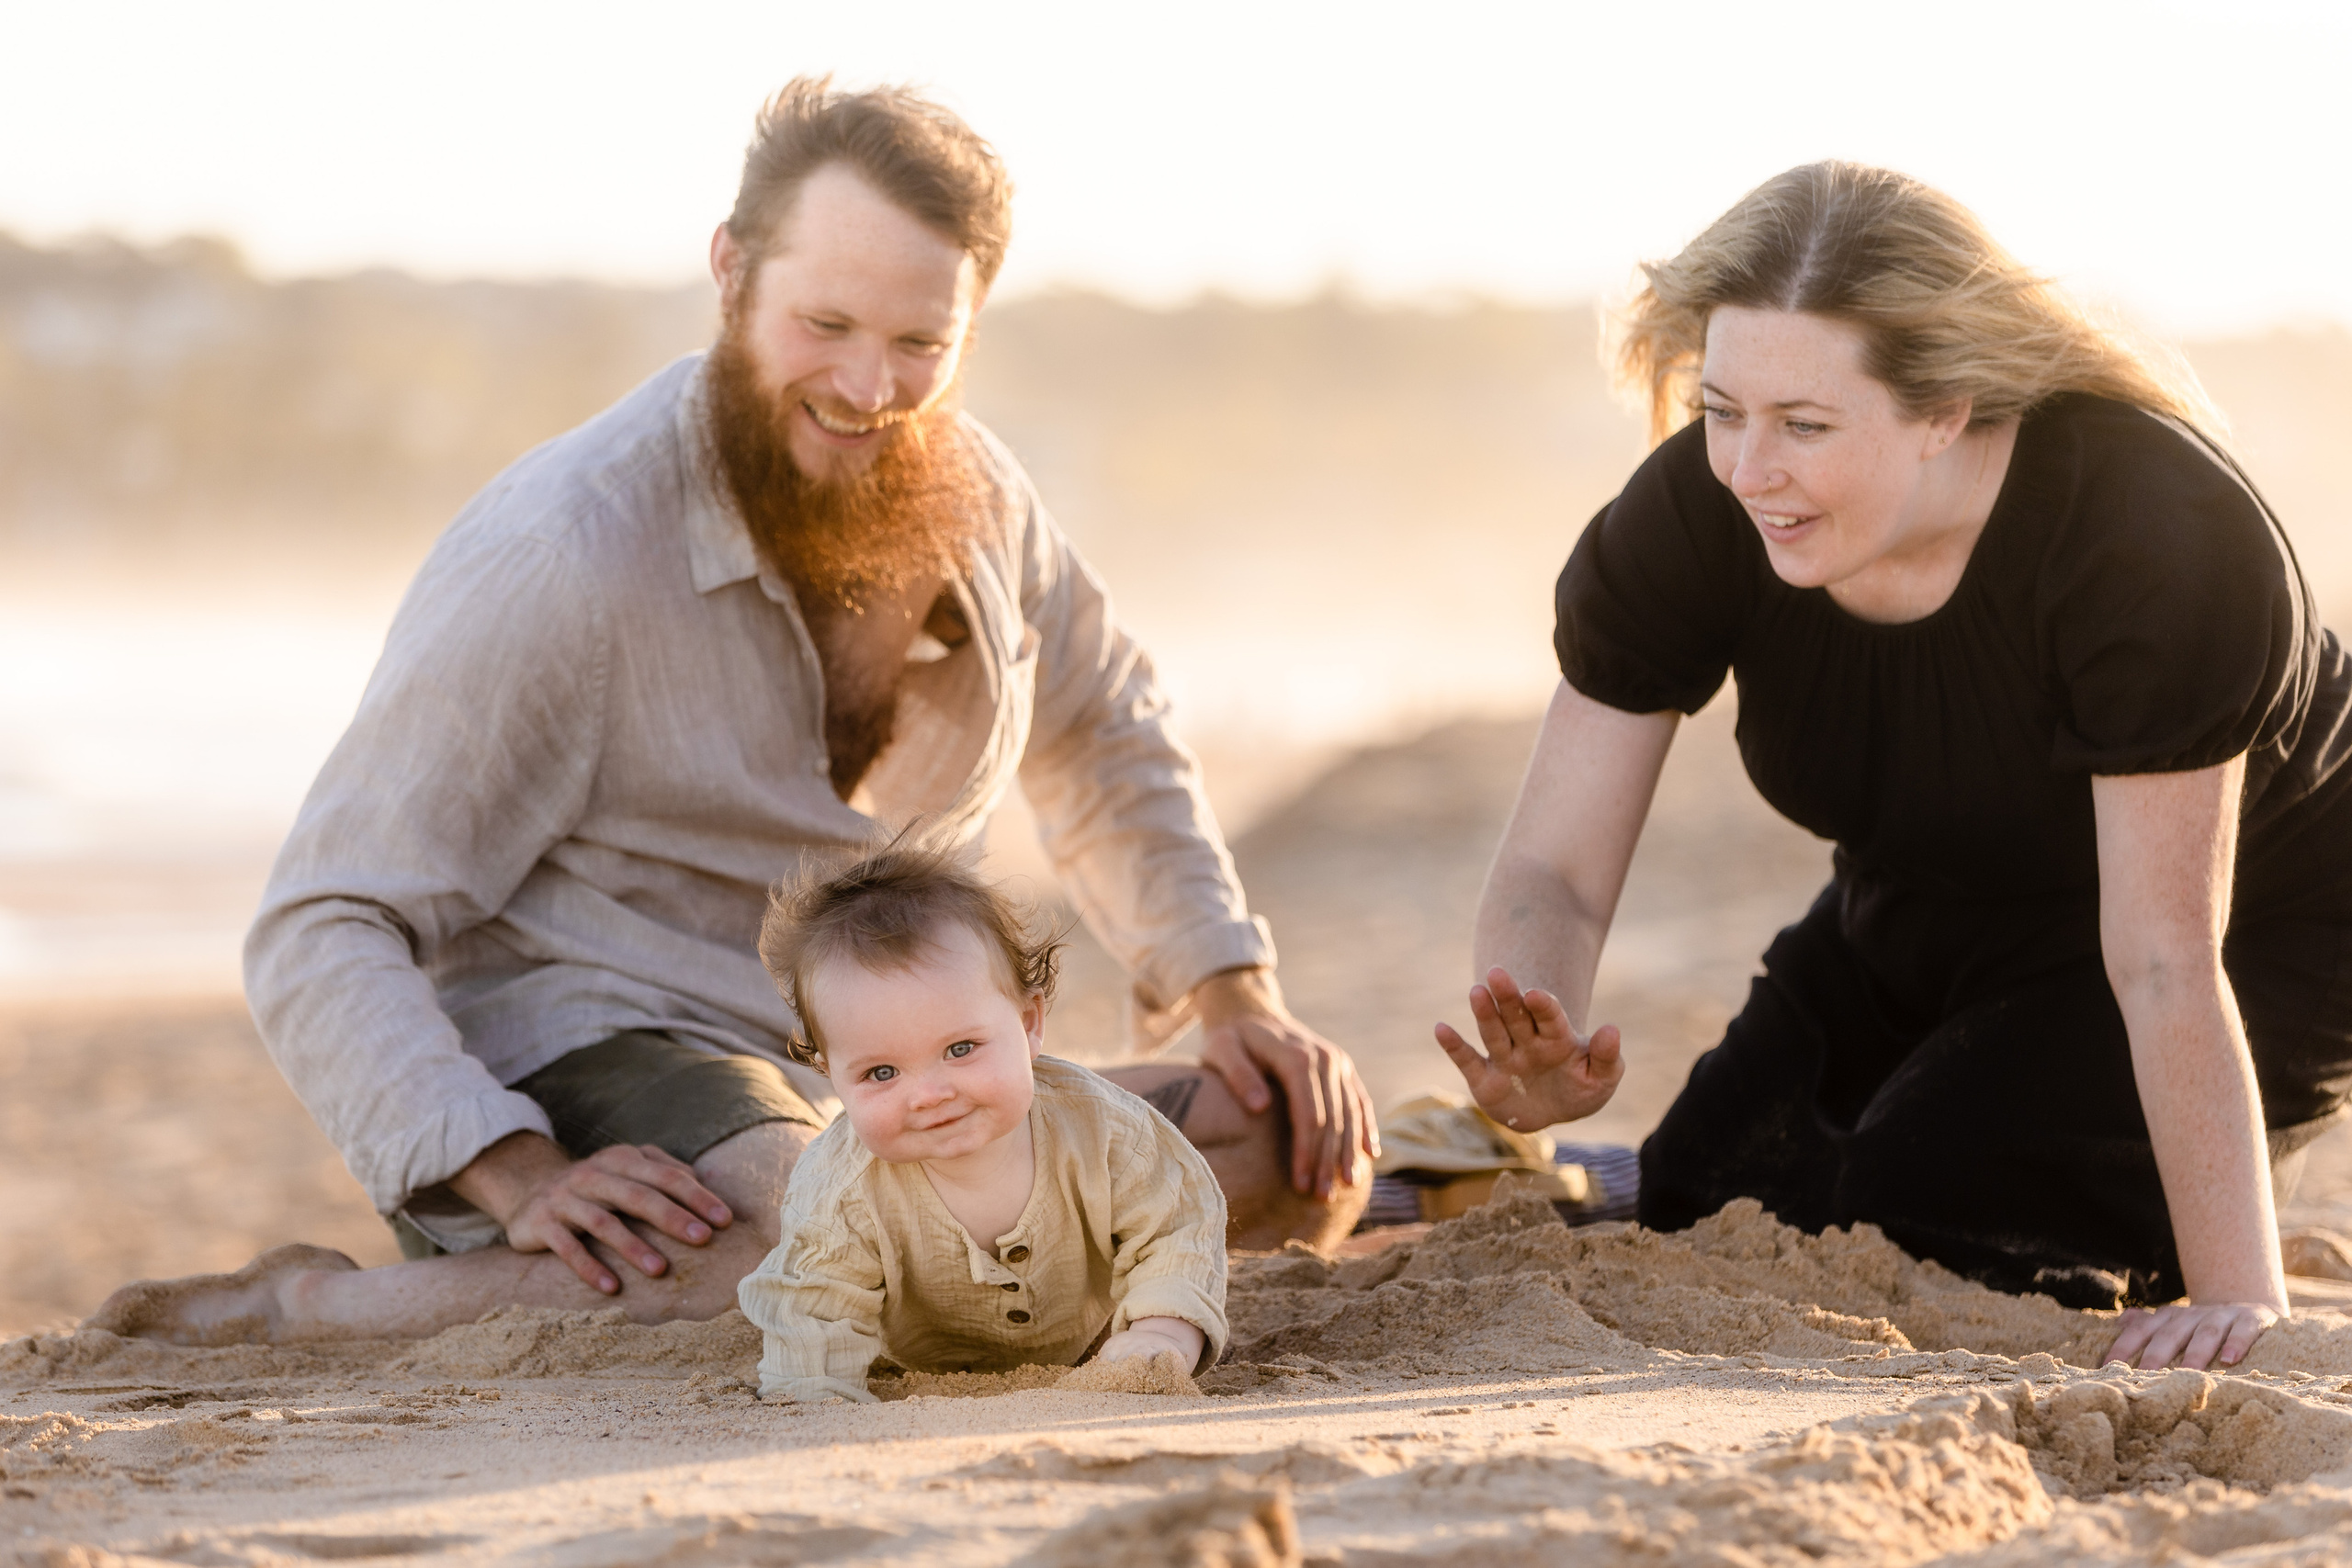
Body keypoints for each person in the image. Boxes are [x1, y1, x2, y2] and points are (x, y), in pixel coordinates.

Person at [90, 77, 1373, 1348]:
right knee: (844, 1242)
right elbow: (323, 917)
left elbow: (1107, 727)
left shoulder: (981, 494)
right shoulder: (565, 554)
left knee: (1285, 1146)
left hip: (864, 1063)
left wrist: (1231, 989)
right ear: (731, 272)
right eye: (825, 322)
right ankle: (312, 1306)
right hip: (599, 1043)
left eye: (921, 343)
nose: (871, 386)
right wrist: (512, 1168)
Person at [1433, 162, 2352, 1376]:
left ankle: (2160, 1197)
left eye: (1805, 426)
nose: (1749, 470)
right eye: (1720, 409)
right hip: (1926, 898)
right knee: (1704, 1202)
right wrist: (1537, 1031)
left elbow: (2164, 951)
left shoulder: (2152, 536)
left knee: (1912, 1203)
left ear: (1947, 406)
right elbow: (1555, 865)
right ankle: (1627, 1170)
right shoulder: (1708, 512)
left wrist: (2240, 1291)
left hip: (2248, 939)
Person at [739, 841, 1226, 1402]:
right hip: (915, 1367)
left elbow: (1178, 1222)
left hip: (1096, 1344)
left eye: (961, 1048)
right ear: (832, 1075)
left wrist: (1162, 1329)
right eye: (881, 1073)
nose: (929, 1094)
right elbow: (812, 1304)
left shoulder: (1105, 1130)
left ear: (1028, 1023)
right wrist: (815, 1394)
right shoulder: (840, 1192)